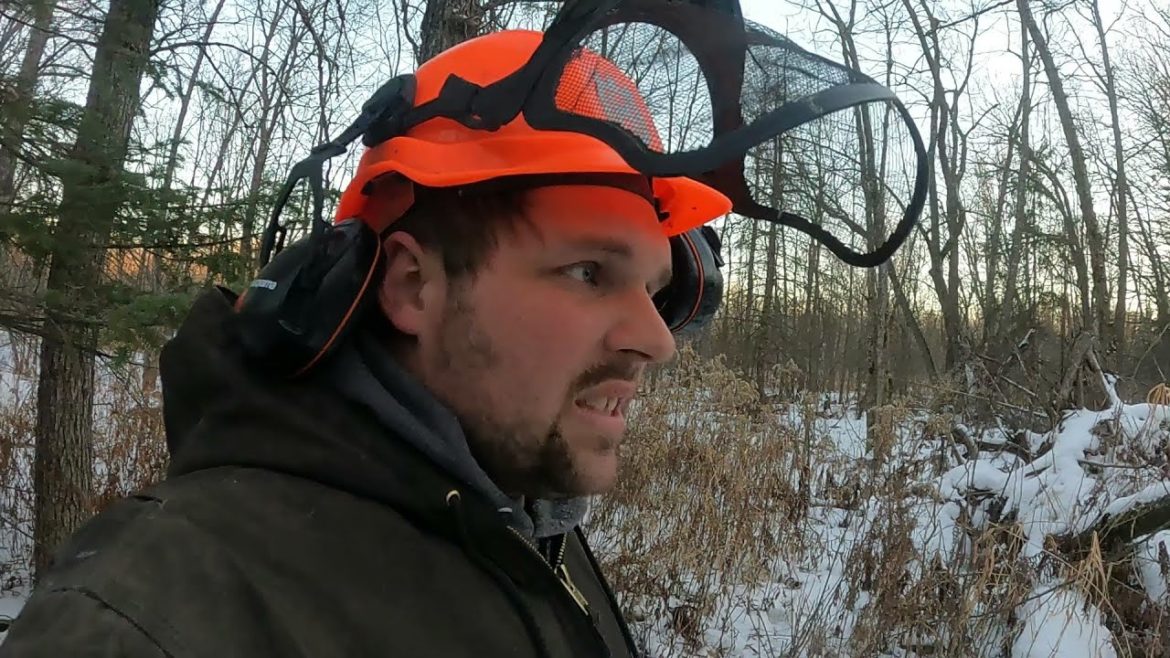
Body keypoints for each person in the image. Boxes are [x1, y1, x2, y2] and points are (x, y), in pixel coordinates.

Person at [0, 26, 732, 658]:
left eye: (654, 290)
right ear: (413, 286)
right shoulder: (147, 620)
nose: (656, 340)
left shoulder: (521, 523)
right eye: (588, 271)